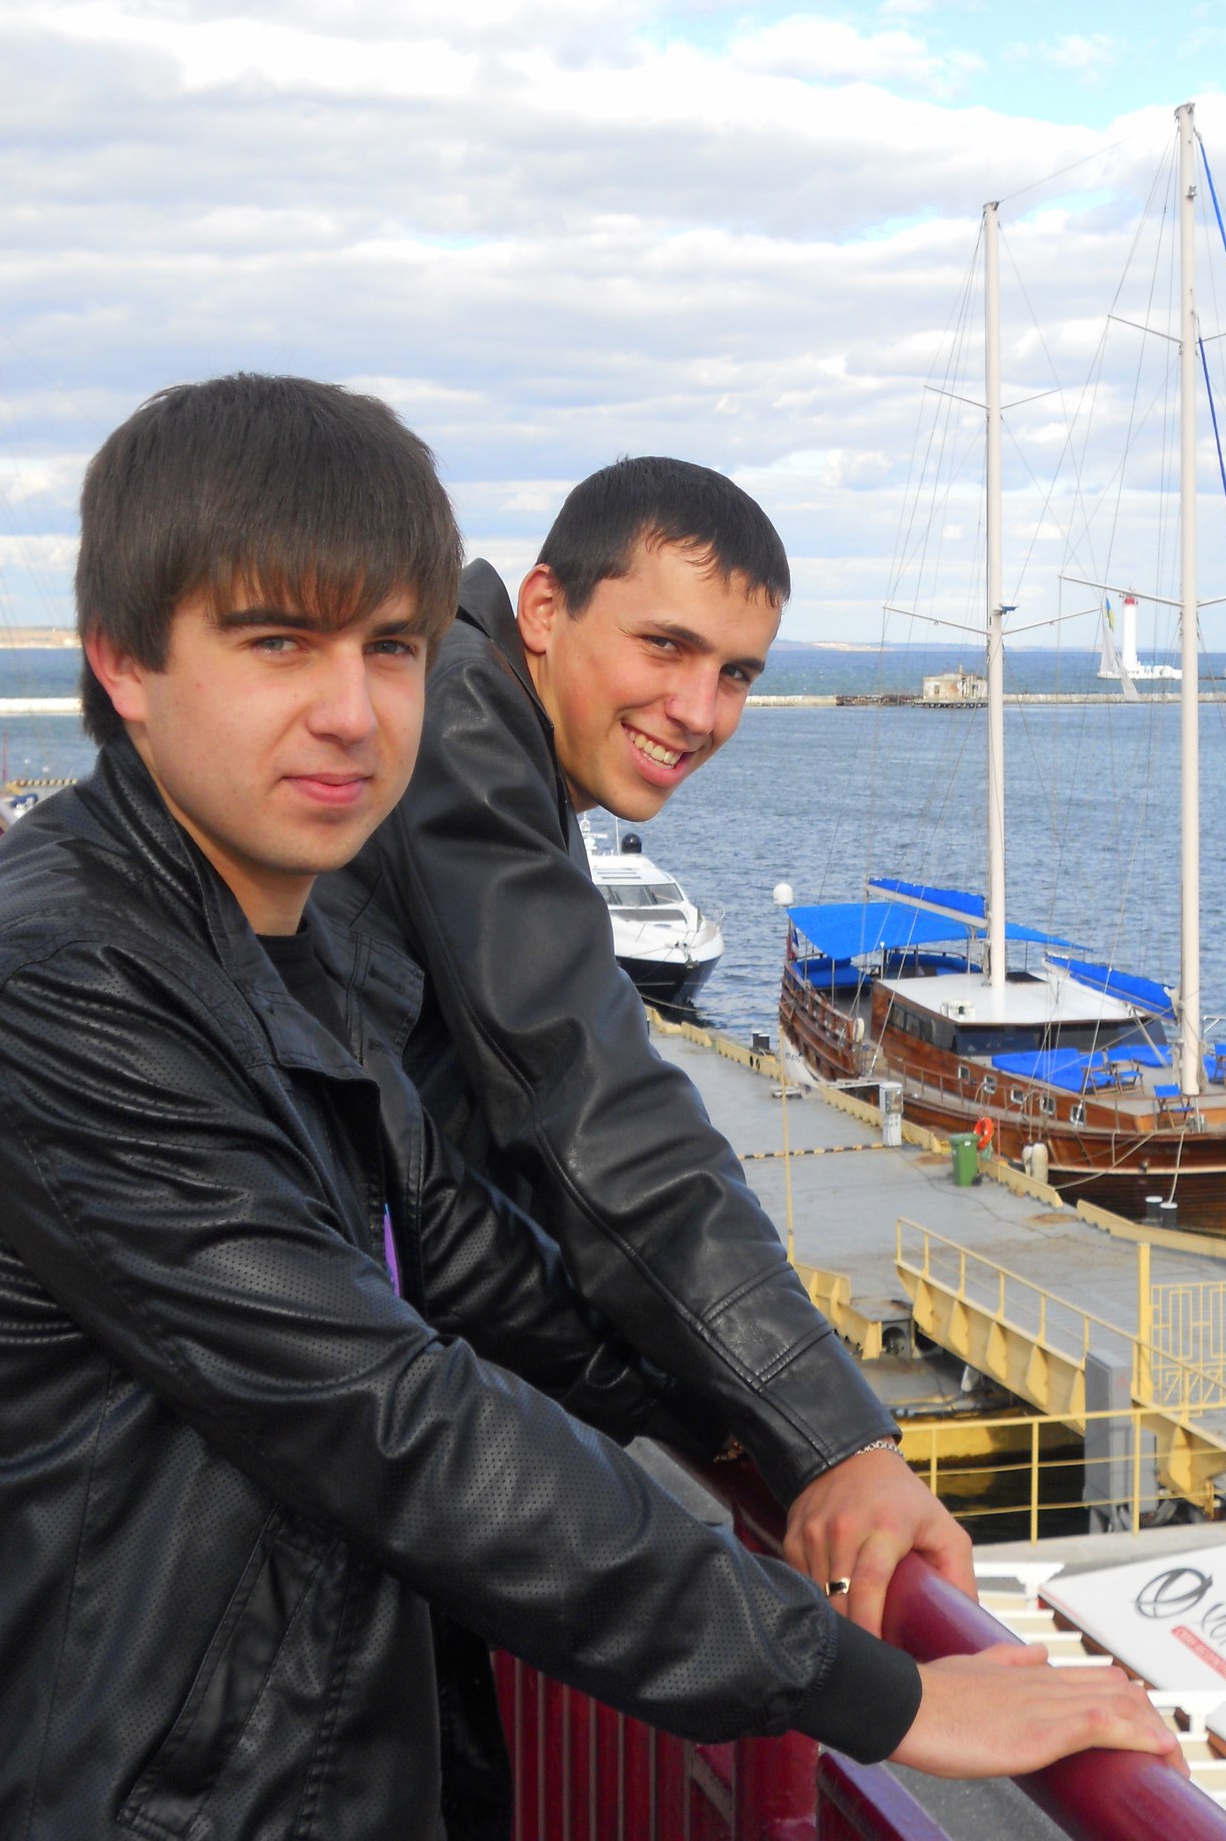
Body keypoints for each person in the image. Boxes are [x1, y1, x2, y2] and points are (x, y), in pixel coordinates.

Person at [0, 381, 1182, 1841]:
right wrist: (874, 1690)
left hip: (283, 1741)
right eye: (277, 642)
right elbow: (396, 1405)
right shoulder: (62, 984)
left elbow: (443, 1232)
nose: (352, 712)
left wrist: (739, 1430)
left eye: (389, 646)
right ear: (123, 660)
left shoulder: (279, 919)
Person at [317, 457, 962, 1627]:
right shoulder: (456, 726)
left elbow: (465, 1162)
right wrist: (832, 1433)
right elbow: (592, 1102)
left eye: (735, 673)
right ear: (543, 608)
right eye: (664, 645)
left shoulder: (472, 710)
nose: (698, 710)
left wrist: (692, 1397)